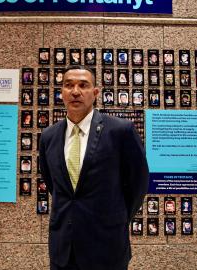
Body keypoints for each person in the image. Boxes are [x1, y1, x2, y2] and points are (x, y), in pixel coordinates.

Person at [39, 66, 149, 270]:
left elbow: (138, 183)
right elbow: (54, 185)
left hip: (106, 246)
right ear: (61, 92)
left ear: (95, 93)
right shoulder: (49, 136)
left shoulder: (120, 131)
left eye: (83, 85)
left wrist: (117, 218)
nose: (75, 91)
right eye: (68, 85)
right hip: (64, 248)